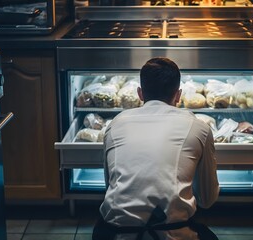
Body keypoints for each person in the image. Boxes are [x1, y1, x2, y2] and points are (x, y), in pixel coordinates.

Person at [92, 57, 220, 240]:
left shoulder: (115, 124)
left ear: (140, 94)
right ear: (178, 94)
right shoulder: (199, 127)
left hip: (115, 234)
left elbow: (110, 186)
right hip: (174, 234)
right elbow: (207, 200)